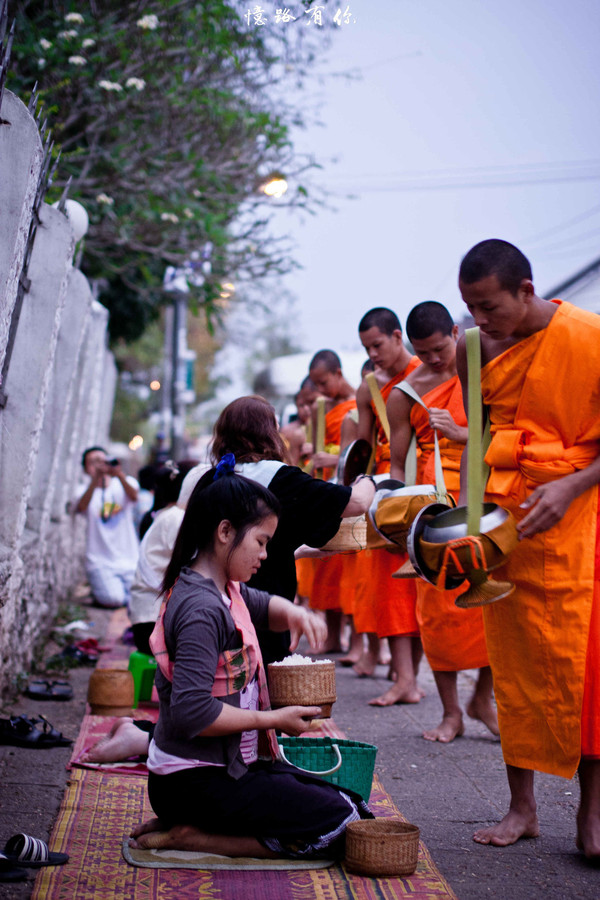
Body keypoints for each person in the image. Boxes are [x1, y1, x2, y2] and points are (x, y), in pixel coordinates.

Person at [129, 463, 372, 857]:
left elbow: (261, 605)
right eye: (260, 542)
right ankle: (201, 837)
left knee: (350, 799)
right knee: (344, 824)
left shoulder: (223, 589)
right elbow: (193, 712)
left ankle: (193, 822)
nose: (264, 554)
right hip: (195, 783)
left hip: (206, 776)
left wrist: (295, 613)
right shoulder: (201, 609)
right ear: (224, 532)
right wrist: (273, 719)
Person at [456, 238, 600, 857]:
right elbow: (478, 441)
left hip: (580, 522)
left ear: (525, 290)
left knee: (584, 675)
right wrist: (468, 521)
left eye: (489, 307)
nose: (481, 322)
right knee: (513, 670)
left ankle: (591, 818)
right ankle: (523, 808)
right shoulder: (475, 349)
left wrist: (573, 484)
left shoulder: (589, 337)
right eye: (471, 309)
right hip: (506, 524)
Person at [387, 301, 497, 742]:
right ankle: (451, 712)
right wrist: (395, 522)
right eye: (424, 352)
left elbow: (507, 429)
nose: (433, 359)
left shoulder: (482, 361)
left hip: (485, 493)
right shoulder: (405, 394)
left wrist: (460, 433)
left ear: (455, 332)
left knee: (491, 606)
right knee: (437, 614)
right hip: (434, 509)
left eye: (438, 348)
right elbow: (397, 465)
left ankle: (482, 699)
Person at [353, 308, 422, 704]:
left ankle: (411, 674)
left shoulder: (427, 372)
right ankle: (405, 680)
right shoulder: (369, 388)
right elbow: (363, 450)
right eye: (366, 348)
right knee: (392, 585)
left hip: (433, 479)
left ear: (398, 337)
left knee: (426, 584)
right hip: (388, 489)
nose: (373, 354)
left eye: (377, 345)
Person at [306, 350, 358, 653]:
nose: (321, 391)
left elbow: (364, 450)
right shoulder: (325, 408)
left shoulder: (356, 406)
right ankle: (332, 637)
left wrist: (333, 457)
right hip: (324, 490)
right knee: (326, 563)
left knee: (349, 570)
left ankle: (355, 642)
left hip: (348, 488)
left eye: (324, 382)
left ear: (338, 373)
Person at [128, 460, 199, 654]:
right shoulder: (176, 519)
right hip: (151, 624)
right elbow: (195, 569)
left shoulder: (169, 515)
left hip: (146, 620)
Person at [75, 447, 139, 608]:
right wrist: (95, 480)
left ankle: (100, 590)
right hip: (100, 562)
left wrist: (118, 474)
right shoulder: (82, 490)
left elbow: (134, 496)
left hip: (129, 559)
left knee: (137, 600)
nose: (99, 466)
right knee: (114, 599)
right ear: (85, 469)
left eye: (102, 461)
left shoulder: (125, 483)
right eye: (93, 463)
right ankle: (100, 589)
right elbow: (81, 507)